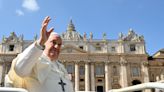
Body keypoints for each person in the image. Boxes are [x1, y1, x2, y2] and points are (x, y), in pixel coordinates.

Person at [6, 16, 74, 92]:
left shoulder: (61, 67)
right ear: (45, 42)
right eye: (53, 42)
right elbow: (20, 70)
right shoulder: (34, 60)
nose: (57, 46)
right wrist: (40, 42)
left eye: (59, 44)